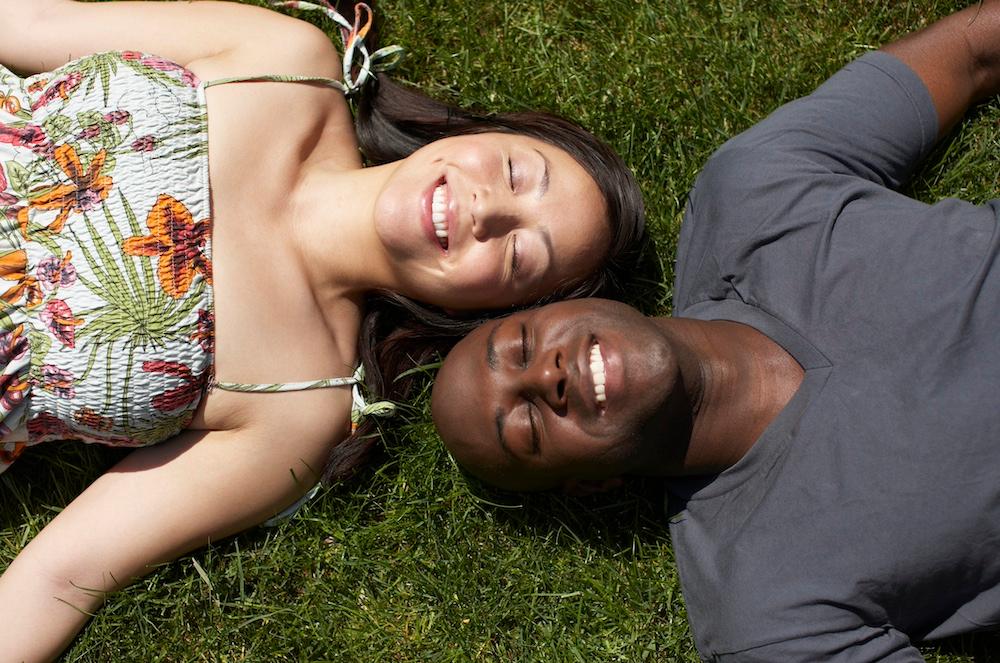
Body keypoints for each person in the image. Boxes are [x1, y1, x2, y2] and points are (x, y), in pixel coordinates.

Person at [0, 0, 645, 659]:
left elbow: (65, 572)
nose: (488, 208)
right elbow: (28, 24)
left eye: (517, 256)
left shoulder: (299, 403)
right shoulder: (284, 62)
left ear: (485, 313)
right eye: (514, 171)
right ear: (479, 133)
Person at [432, 1, 1000, 660]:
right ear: (590, 484)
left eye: (523, 346)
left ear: (561, 302)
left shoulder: (754, 192)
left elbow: (972, 53)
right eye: (527, 424)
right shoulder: (765, 611)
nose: (546, 376)